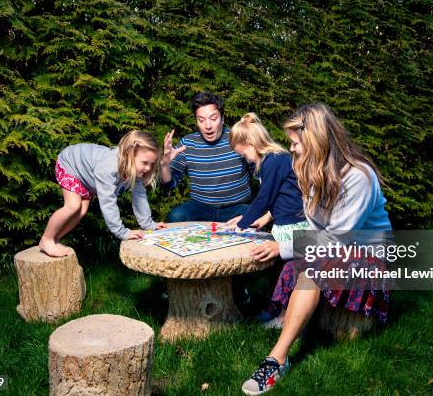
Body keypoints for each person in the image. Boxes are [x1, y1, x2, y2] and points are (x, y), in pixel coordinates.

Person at [241, 103, 392, 395]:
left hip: (367, 256)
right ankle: (290, 319)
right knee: (296, 265)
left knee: (311, 271)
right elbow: (318, 230)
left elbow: (337, 241)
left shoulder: (358, 177)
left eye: (295, 143)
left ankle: (277, 358)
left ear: (315, 140)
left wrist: (283, 246)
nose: (292, 149)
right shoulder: (312, 172)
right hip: (337, 247)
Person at [226, 112, 309, 327]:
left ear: (252, 143)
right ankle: (274, 308)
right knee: (276, 271)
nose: (245, 159)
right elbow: (277, 197)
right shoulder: (270, 160)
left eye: (244, 154)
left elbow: (264, 198)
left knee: (286, 272)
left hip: (294, 224)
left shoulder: (275, 160)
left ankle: (284, 317)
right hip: (283, 221)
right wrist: (262, 219)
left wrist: (242, 223)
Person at [39, 131, 167, 257]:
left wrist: (148, 224)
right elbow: (108, 202)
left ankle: (55, 240)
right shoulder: (108, 167)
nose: (148, 168)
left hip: (86, 176)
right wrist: (121, 232)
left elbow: (140, 197)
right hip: (70, 163)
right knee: (73, 206)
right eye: (145, 163)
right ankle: (47, 239)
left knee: (82, 211)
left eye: (151, 164)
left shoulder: (136, 171)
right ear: (129, 154)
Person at [160, 92, 253, 223]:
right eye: (201, 120)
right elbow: (168, 185)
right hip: (200, 208)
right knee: (177, 216)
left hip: (237, 207)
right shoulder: (187, 144)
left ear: (223, 118)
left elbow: (262, 173)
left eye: (213, 119)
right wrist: (164, 164)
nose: (207, 126)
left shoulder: (238, 138)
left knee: (253, 215)